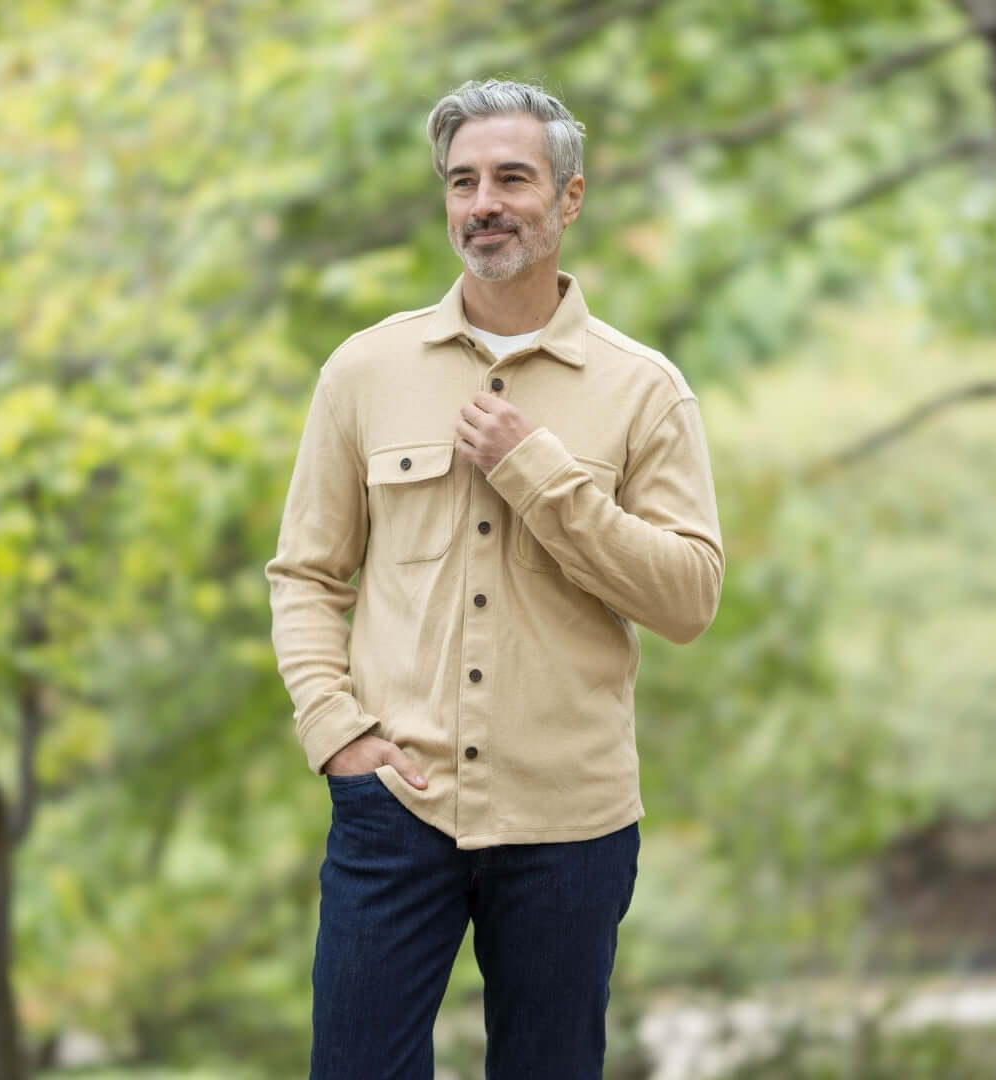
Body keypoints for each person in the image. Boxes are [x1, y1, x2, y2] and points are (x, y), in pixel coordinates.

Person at [266, 78, 724, 1080]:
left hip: (572, 820)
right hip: (396, 807)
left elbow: (688, 600)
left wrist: (537, 470)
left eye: (513, 177)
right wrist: (335, 732)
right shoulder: (363, 372)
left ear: (568, 198)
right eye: (463, 181)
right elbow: (306, 573)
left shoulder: (644, 390)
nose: (484, 202)